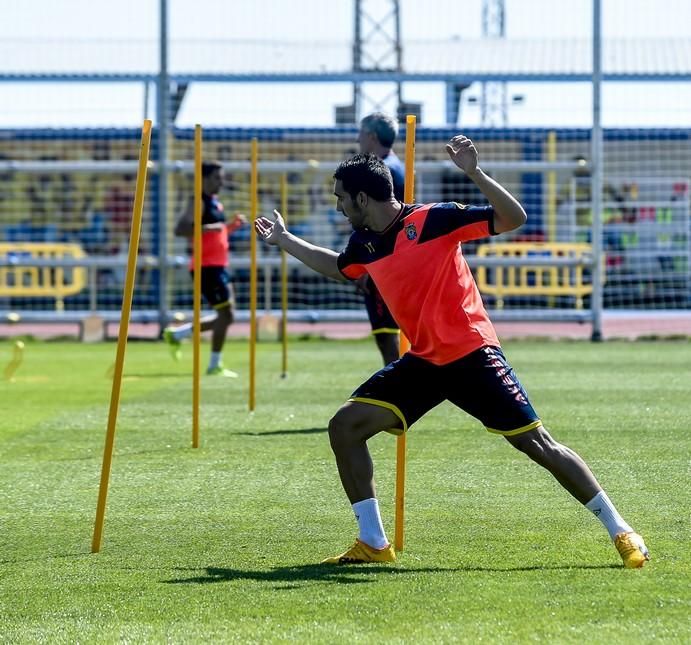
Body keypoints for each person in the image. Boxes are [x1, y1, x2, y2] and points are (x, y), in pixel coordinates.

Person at [254, 135, 649, 569]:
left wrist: (474, 172)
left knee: (538, 445)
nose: (337, 208)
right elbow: (338, 268)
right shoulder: (363, 242)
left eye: (341, 199)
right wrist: (285, 240)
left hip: (473, 355)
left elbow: (513, 218)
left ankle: (622, 530)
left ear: (363, 198)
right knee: (345, 427)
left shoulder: (434, 219)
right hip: (424, 361)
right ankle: (373, 542)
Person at [164, 161, 247, 377]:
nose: (221, 182)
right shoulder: (197, 200)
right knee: (226, 314)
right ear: (205, 179)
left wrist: (231, 226)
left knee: (227, 316)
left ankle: (177, 335)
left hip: (220, 265)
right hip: (206, 267)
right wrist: (208, 227)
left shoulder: (215, 202)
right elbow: (180, 229)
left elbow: (216, 234)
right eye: (217, 178)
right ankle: (214, 364)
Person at [356, 112, 405, 365]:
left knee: (387, 337)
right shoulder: (395, 167)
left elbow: (382, 223)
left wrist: (368, 263)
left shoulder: (384, 171)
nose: (358, 139)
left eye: (361, 133)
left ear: (371, 136)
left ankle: (398, 392)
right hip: (391, 256)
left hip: (384, 259)